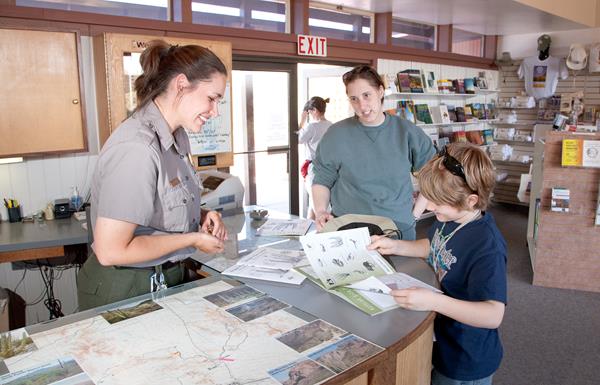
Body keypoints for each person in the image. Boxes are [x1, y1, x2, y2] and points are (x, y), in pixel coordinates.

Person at [77, 40, 229, 310]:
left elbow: (160, 203)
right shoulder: (137, 147)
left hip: (162, 277)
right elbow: (110, 250)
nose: (215, 111)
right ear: (181, 85)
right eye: (212, 98)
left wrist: (201, 216)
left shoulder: (175, 137)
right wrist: (193, 238)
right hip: (125, 288)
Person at [368, 143, 507, 385]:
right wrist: (396, 246)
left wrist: (433, 301)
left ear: (472, 200)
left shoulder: (487, 246)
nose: (430, 207)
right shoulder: (451, 218)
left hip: (467, 357)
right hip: (445, 340)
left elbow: (493, 315)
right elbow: (435, 246)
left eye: (437, 202)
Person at [312, 65, 436, 240]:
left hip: (397, 230)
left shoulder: (407, 132)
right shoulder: (335, 134)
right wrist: (321, 210)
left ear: (380, 91)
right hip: (347, 230)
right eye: (354, 98)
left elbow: (432, 176)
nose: (362, 106)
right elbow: (322, 179)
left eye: (366, 95)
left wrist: (414, 215)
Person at [297, 96, 332, 220]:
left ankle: (318, 233)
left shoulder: (311, 127)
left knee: (316, 204)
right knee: (317, 203)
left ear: (315, 111)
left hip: (314, 169)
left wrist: (301, 121)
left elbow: (297, 139)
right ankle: (309, 233)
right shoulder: (331, 125)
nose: (309, 114)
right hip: (328, 168)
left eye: (310, 112)